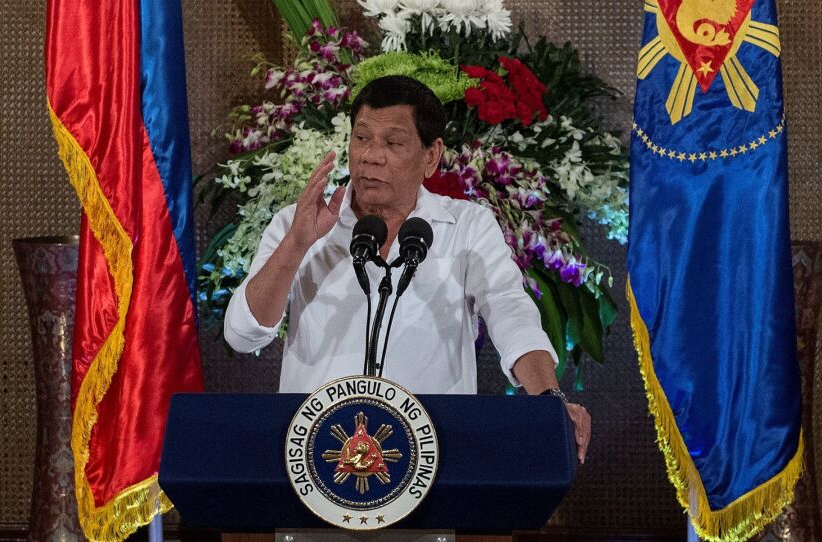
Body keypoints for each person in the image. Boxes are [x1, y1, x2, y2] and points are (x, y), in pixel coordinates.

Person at [224, 75, 591, 463]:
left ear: (431, 156)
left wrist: (549, 401)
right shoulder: (296, 225)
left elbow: (511, 313)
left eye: (393, 143)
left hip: (433, 461)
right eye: (361, 138)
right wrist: (298, 243)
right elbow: (242, 334)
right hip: (317, 461)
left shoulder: (467, 226)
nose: (370, 156)